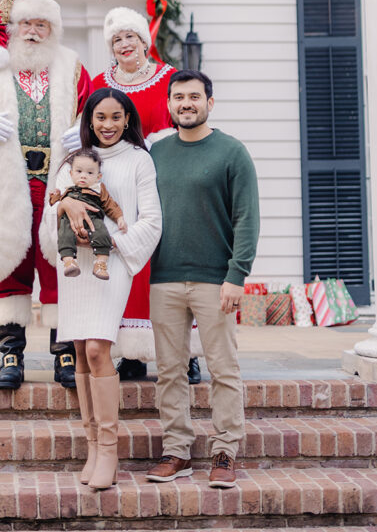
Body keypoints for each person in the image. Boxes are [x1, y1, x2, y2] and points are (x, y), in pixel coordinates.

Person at [0, 0, 91, 391]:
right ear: (13, 27)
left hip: (59, 181)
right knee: (10, 265)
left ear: (53, 30)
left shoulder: (72, 66)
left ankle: (65, 354)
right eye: (26, 24)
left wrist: (84, 134)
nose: (32, 32)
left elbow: (95, 114)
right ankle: (11, 354)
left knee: (64, 265)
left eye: (41, 25)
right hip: (6, 181)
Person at [41, 88, 162, 490]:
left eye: (115, 117)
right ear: (88, 121)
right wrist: (64, 207)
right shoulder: (72, 163)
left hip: (111, 264)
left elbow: (151, 221)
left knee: (97, 349)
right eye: (100, 117)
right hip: (73, 266)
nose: (107, 125)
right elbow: (48, 215)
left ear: (128, 119)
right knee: (78, 351)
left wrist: (109, 238)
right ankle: (92, 445)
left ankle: (109, 448)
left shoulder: (139, 160)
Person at [146, 69, 260, 489]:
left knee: (223, 368)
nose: (186, 103)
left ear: (210, 103)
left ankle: (225, 451)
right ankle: (177, 451)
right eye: (178, 97)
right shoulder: (156, 153)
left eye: (194, 96)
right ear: (170, 105)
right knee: (169, 371)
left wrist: (237, 275)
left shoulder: (231, 152)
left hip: (217, 280)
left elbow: (247, 219)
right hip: (165, 278)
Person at [87, 7, 201, 385]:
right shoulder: (100, 82)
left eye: (129, 37)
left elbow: (187, 120)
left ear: (143, 40)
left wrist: (161, 141)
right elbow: (88, 128)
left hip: (167, 182)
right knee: (128, 266)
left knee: (172, 266)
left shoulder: (169, 78)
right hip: (120, 185)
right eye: (116, 39)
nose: (123, 45)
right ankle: (132, 353)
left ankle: (185, 353)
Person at [49, 147, 127, 280]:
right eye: (79, 171)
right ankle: (69, 261)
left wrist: (119, 218)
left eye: (90, 173)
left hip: (93, 217)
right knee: (64, 233)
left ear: (98, 176)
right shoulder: (67, 190)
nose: (83, 176)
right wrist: (55, 197)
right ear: (71, 173)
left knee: (102, 233)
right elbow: (56, 205)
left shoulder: (98, 189)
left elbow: (110, 204)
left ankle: (100, 263)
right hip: (70, 219)